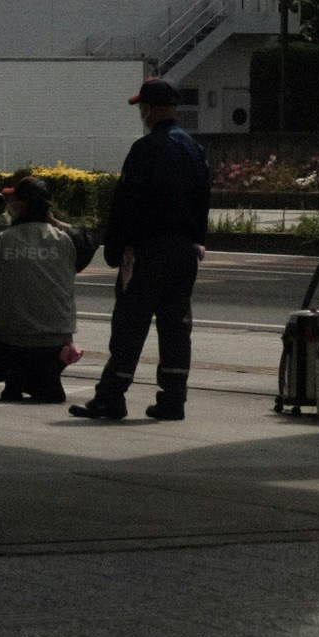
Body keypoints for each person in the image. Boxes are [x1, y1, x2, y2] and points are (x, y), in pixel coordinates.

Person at [76, 77, 210, 421]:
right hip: (184, 251)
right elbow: (203, 201)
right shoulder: (195, 150)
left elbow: (126, 204)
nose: (143, 115)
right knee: (176, 325)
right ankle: (173, 400)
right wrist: (196, 239)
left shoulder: (145, 149)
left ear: (150, 109)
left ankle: (111, 397)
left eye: (143, 108)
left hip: (148, 252)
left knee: (130, 323)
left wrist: (115, 247)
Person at [0, 172, 89, 403]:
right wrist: (52, 220)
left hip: (7, 344)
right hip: (54, 346)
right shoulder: (67, 242)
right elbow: (86, 239)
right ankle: (38, 380)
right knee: (46, 383)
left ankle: (15, 378)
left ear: (18, 206)